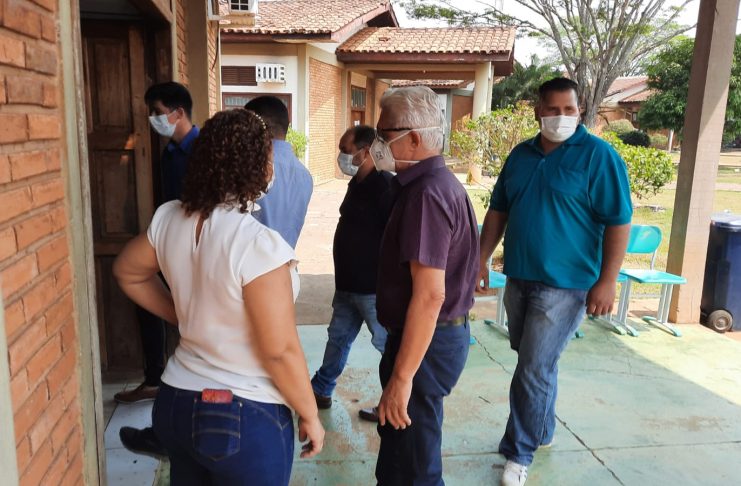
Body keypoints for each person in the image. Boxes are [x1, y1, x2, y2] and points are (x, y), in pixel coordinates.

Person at [113, 108, 324, 485]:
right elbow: (279, 350)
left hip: (175, 403)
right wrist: (308, 411)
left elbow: (127, 272)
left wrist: (184, 315)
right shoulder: (257, 245)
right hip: (241, 412)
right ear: (259, 166)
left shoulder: (170, 218)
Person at [478, 77, 632, 486]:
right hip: (520, 276)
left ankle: (519, 452)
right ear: (538, 112)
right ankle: (541, 429)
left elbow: (619, 221)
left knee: (534, 367)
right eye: (553, 109)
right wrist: (480, 258)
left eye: (569, 109)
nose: (561, 117)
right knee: (533, 361)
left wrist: (607, 280)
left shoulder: (599, 157)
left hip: (567, 283)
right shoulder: (521, 155)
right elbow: (499, 210)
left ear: (580, 112)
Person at [372, 86, 479, 485]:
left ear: (414, 138)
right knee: (401, 451)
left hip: (426, 344)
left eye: (384, 134)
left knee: (415, 465)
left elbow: (431, 295)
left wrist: (402, 378)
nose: (378, 144)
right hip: (430, 340)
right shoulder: (432, 184)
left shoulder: (427, 195)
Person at [116, 81, 199, 457]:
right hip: (167, 247)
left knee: (193, 336)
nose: (153, 119)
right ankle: (154, 380)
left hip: (192, 252)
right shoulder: (169, 152)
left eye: (157, 112)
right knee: (148, 305)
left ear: (178, 113)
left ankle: (174, 427)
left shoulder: (201, 149)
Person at [310, 125, 391, 422]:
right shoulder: (356, 183)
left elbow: (393, 240)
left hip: (372, 289)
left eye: (346, 150)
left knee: (387, 346)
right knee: (337, 339)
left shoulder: (385, 186)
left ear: (365, 151)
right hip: (347, 285)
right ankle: (321, 389)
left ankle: (395, 401)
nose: (341, 156)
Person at [244, 96, 313, 248]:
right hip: (286, 259)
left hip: (249, 260)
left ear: (259, 126)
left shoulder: (248, 166)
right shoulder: (305, 176)